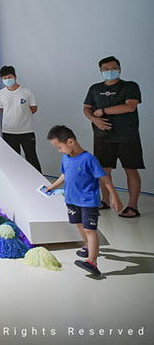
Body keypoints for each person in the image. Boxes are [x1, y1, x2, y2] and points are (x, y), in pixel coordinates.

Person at [45, 125, 122, 276]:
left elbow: (104, 178)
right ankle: (87, 246)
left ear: (70, 142)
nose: (59, 151)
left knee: (89, 230)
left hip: (88, 201)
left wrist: (115, 197)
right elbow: (64, 174)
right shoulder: (65, 158)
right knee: (80, 226)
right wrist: (52, 186)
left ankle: (92, 262)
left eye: (59, 147)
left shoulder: (89, 159)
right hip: (71, 200)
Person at [83, 56, 145, 218]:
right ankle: (104, 200)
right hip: (102, 137)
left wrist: (103, 111)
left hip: (127, 136)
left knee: (131, 170)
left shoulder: (129, 86)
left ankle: (133, 206)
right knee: (103, 170)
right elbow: (87, 108)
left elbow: (130, 106)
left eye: (113, 68)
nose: (109, 71)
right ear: (100, 71)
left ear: (119, 68)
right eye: (105, 69)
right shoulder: (95, 88)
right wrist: (94, 119)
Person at [0, 65, 41, 172]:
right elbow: (2, 109)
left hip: (26, 131)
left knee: (32, 157)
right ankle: (17, 180)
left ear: (15, 77)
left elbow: (33, 108)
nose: (7, 80)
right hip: (8, 132)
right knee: (13, 160)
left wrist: (22, 116)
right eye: (4, 78)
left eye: (9, 77)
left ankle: (39, 180)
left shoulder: (27, 92)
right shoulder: (0, 94)